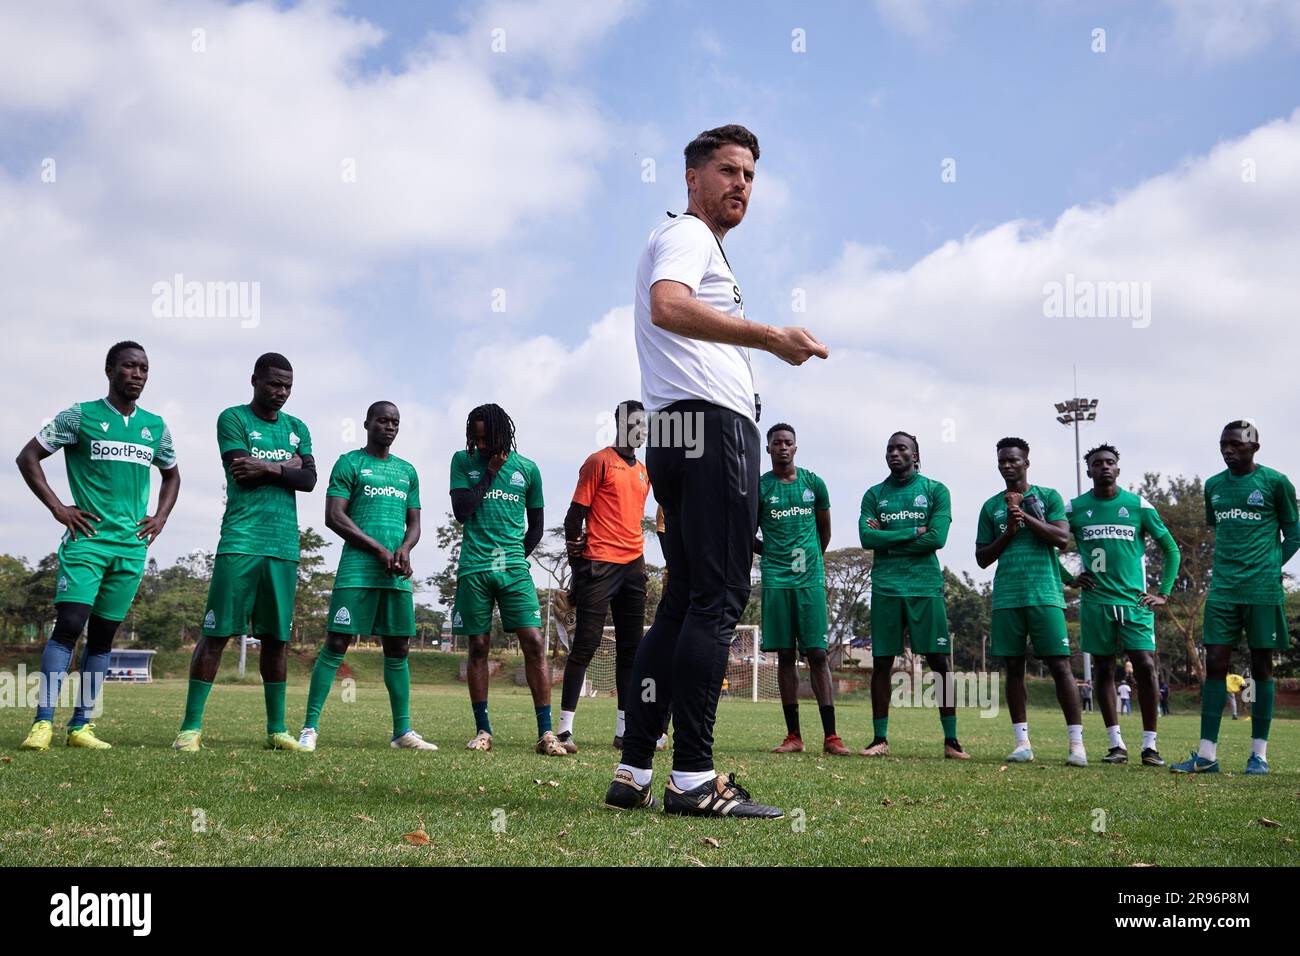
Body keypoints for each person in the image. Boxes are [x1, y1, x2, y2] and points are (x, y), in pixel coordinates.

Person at [606, 124, 828, 818]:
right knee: (718, 601)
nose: (741, 184)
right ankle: (695, 780)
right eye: (728, 170)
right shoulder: (688, 236)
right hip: (709, 429)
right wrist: (770, 336)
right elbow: (667, 307)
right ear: (692, 178)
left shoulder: (702, 248)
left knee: (681, 601)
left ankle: (633, 769)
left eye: (751, 176)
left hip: (672, 428)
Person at [18, 342, 180, 751]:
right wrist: (59, 508)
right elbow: (28, 458)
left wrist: (159, 518)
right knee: (69, 626)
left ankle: (81, 727)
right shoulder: (80, 416)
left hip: (130, 548)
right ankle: (42, 723)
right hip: (87, 542)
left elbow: (172, 475)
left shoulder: (155, 426)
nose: (138, 374)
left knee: (104, 638)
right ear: (110, 370)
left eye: (144, 367)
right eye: (129, 366)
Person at [174, 352, 316, 752]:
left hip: (284, 545)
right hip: (241, 540)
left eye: (288, 385)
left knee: (276, 640)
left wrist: (268, 468)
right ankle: (190, 728)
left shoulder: (297, 427)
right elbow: (240, 470)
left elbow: (308, 479)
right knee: (217, 632)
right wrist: (285, 467)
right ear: (255, 380)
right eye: (274, 383)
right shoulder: (232, 418)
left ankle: (276, 731)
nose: (281, 392)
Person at [298, 401, 434, 751]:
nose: (389, 426)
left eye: (395, 422)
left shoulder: (407, 471)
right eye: (382, 420)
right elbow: (334, 516)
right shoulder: (350, 463)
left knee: (399, 647)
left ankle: (402, 732)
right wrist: (377, 549)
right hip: (357, 572)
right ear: (367, 423)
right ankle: (309, 728)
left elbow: (415, 522)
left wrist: (404, 549)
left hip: (396, 575)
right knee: (337, 643)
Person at [1174, 422, 1297, 776]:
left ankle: (1258, 755)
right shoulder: (1213, 486)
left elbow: (1294, 532)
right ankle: (1206, 755)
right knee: (1215, 664)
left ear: (1253, 448)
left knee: (1260, 670)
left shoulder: (1276, 483)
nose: (1228, 450)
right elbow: (1221, 529)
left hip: (1262, 591)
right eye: (1223, 445)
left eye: (1235, 445)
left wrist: (1272, 565)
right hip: (1223, 589)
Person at [451, 404, 566, 756]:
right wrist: (488, 471)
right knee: (479, 646)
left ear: (503, 435)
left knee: (533, 642)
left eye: (486, 438)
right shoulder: (462, 461)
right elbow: (462, 512)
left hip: (514, 570)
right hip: (474, 568)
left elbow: (536, 527)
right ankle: (483, 730)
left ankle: (546, 734)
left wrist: (516, 557)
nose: (480, 444)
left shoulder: (528, 469)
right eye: (476, 437)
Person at [1061, 444, 1180, 767]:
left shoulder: (1138, 505)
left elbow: (1171, 549)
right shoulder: (1074, 508)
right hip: (1096, 602)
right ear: (1088, 471)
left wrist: (1163, 593)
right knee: (1102, 668)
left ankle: (1150, 745)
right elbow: (1048, 543)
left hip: (1135, 601)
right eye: (1097, 463)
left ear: (1118, 468)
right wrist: (1070, 579)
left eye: (1109, 462)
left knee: (1144, 664)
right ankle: (1116, 744)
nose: (1104, 467)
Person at [974, 437, 1085, 766]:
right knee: (1013, 668)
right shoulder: (990, 506)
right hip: (1007, 596)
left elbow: (1062, 538)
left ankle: (1076, 744)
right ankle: (1022, 743)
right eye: (1002, 460)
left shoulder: (1049, 497)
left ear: (1026, 462)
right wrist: (1008, 531)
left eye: (1013, 460)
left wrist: (1023, 514)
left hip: (1045, 594)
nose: (1007, 465)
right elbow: (981, 558)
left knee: (1060, 666)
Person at [859, 431, 968, 760]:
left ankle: (951, 741)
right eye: (889, 448)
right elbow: (866, 538)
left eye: (901, 448)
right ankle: (879, 739)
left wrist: (888, 538)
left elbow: (937, 539)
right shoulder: (873, 494)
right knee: (881, 662)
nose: (894, 453)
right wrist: (912, 531)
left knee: (939, 662)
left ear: (916, 456)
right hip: (886, 587)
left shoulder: (935, 491)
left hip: (924, 587)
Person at [557, 400, 652, 753]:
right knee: (585, 644)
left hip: (634, 567)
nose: (640, 430)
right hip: (599, 564)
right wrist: (579, 569)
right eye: (634, 423)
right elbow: (573, 519)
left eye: (644, 424)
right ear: (619, 424)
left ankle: (624, 732)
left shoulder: (644, 472)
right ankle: (564, 730)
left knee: (632, 651)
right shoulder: (598, 461)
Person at [756, 423, 847, 756]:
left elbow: (825, 533)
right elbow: (748, 533)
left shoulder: (814, 484)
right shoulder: (760, 487)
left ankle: (832, 737)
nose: (782, 447)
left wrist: (810, 560)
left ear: (796, 448)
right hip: (776, 580)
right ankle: (793, 735)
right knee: (785, 655)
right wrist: (773, 554)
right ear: (768, 449)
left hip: (809, 580)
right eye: (776, 443)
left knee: (818, 653)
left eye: (788, 442)